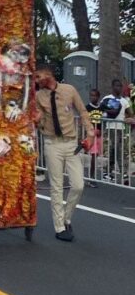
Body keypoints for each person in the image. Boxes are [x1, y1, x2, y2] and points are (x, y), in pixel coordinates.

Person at [35, 66, 94, 242]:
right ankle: (59, 226)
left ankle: (67, 217)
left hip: (70, 142)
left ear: (49, 74)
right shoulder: (39, 96)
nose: (37, 80)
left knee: (78, 185)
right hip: (52, 143)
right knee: (57, 186)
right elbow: (39, 118)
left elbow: (83, 112)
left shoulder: (69, 90)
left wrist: (90, 133)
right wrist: (37, 120)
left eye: (38, 76)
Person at [100, 78, 133, 182]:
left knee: (117, 151)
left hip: (121, 128)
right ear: (112, 87)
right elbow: (101, 110)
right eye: (117, 85)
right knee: (114, 150)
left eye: (120, 86)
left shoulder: (124, 101)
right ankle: (119, 173)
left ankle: (111, 173)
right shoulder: (107, 98)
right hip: (110, 128)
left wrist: (128, 118)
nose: (118, 88)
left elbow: (130, 113)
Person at [85, 88, 103, 187]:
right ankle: (91, 178)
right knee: (93, 155)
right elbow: (84, 121)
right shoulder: (87, 108)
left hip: (99, 136)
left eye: (95, 95)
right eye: (91, 95)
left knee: (96, 156)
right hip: (91, 135)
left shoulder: (101, 108)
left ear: (98, 97)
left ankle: (91, 176)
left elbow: (102, 120)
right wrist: (91, 130)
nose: (93, 97)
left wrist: (101, 130)